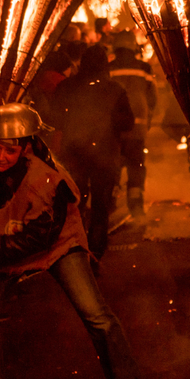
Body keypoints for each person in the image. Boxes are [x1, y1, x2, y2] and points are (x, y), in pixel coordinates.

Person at [0, 103, 157, 379]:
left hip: (56, 245)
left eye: (10, 150)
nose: (0, 157)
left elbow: (40, 238)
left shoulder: (48, 180)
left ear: (25, 148)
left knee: (97, 316)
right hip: (1, 248)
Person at [52, 47, 134, 259]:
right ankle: (96, 251)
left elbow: (54, 119)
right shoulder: (114, 89)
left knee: (74, 203)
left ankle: (74, 249)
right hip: (104, 155)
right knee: (100, 205)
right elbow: (127, 122)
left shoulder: (67, 87)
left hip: (74, 153)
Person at [108, 32, 157, 220]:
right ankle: (136, 207)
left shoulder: (109, 68)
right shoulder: (144, 68)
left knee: (113, 166)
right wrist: (148, 118)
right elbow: (153, 97)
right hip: (138, 129)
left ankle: (110, 202)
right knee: (136, 166)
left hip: (114, 130)